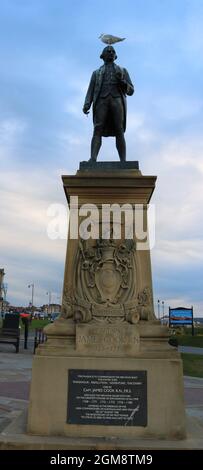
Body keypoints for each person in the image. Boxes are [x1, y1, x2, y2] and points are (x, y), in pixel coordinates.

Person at [83, 45, 134, 162]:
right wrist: (87, 103)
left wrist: (122, 82)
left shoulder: (123, 71)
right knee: (97, 129)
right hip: (101, 101)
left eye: (113, 51)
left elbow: (131, 90)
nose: (111, 52)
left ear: (115, 56)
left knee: (119, 130)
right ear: (103, 56)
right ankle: (93, 158)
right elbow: (90, 90)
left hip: (117, 101)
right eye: (108, 51)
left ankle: (123, 161)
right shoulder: (96, 73)